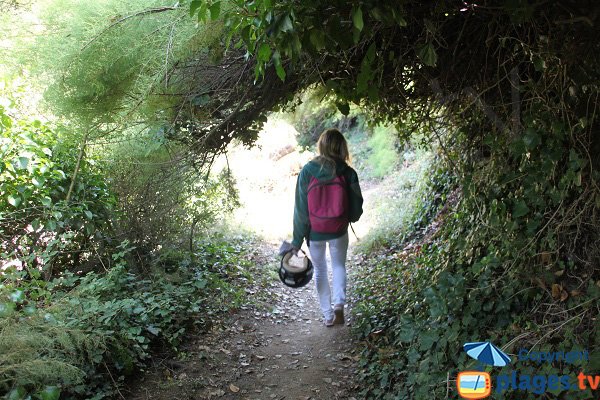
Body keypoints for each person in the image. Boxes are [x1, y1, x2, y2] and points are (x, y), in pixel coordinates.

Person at [291, 128, 363, 327]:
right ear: (342, 147)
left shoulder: (307, 171)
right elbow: (357, 206)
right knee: (339, 266)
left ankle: (328, 316)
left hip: (316, 232)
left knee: (321, 270)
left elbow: (300, 210)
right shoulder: (348, 173)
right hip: (339, 229)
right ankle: (339, 305)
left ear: (321, 146)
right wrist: (350, 217)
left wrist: (297, 241)